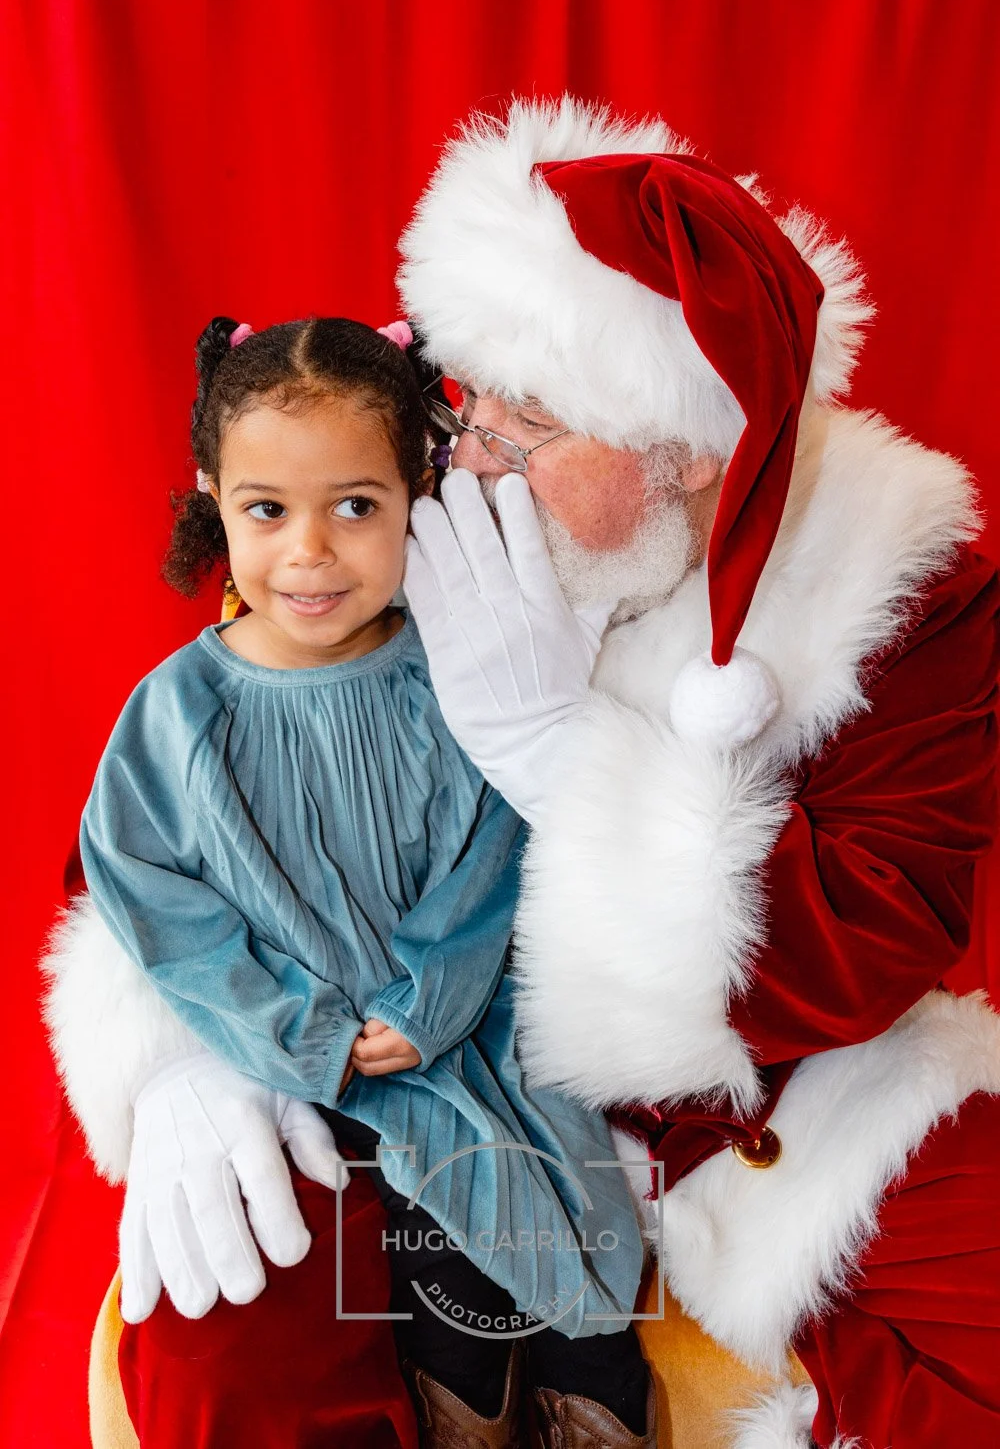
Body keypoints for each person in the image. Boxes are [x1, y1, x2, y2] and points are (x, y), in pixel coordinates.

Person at [42, 96, 1000, 1449]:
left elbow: (875, 935)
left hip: (773, 1113)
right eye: (467, 401)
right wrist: (183, 1057)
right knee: (218, 1377)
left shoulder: (902, 592)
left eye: (528, 424)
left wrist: (569, 759)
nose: (472, 455)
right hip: (398, 1067)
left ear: (683, 458)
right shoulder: (411, 514)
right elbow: (184, 797)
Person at [65, 311, 651, 1446]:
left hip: (476, 1040)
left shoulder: (453, 675)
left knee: (572, 1274)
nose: (310, 553)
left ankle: (585, 1400)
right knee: (433, 1305)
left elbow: (499, 845)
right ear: (213, 500)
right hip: (310, 1083)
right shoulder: (179, 714)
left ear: (415, 491)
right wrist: (302, 1030)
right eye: (266, 511)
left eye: (355, 507)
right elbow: (154, 903)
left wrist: (425, 1000)